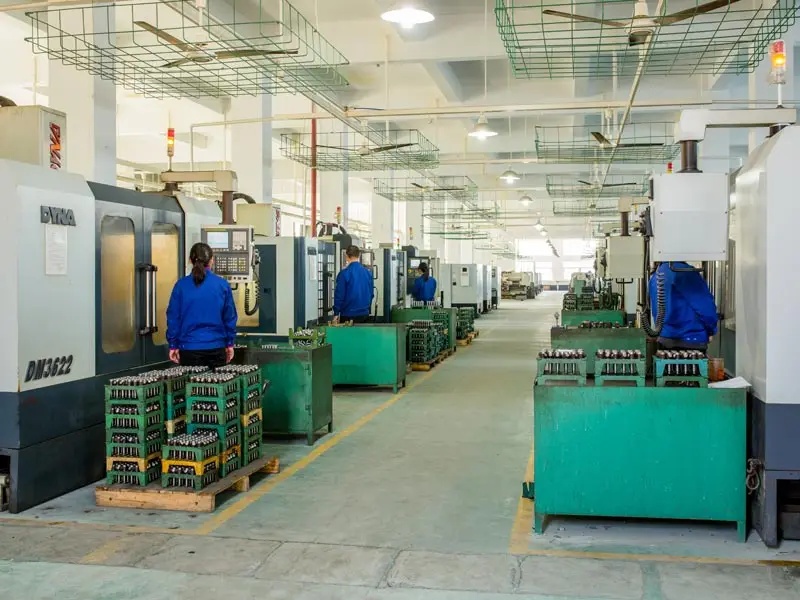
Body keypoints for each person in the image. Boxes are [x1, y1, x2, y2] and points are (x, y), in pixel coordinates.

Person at [166, 242, 238, 368]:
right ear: (211, 260)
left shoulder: (181, 286)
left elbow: (173, 318)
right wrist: (229, 343)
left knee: (192, 381)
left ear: (190, 260)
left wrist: (173, 345)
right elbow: (230, 318)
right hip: (216, 348)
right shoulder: (222, 285)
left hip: (189, 349)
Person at [649, 261, 718, 350]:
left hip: (664, 339)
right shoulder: (684, 271)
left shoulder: (656, 276)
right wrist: (711, 330)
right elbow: (706, 308)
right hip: (691, 339)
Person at [333, 245, 374, 324]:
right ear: (359, 255)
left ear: (346, 256)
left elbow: (339, 296)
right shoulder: (368, 273)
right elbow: (371, 294)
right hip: (364, 314)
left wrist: (336, 313)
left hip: (348, 315)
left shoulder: (344, 274)